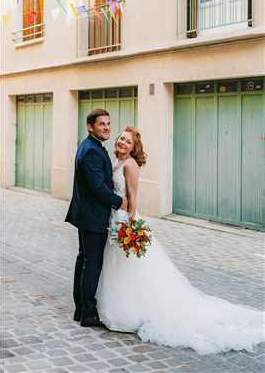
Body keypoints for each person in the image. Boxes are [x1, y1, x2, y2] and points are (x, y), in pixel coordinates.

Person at [96, 126, 264, 355]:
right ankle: (117, 308)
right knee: (118, 266)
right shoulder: (115, 161)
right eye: (121, 139)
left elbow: (134, 199)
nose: (123, 143)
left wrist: (130, 227)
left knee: (130, 267)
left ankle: (130, 312)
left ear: (134, 147)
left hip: (124, 222)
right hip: (114, 219)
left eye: (128, 142)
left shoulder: (131, 165)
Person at [65, 109, 127, 327]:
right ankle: (88, 314)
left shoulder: (91, 146)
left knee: (84, 260)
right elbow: (97, 187)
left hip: (87, 214)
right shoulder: (91, 150)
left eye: (109, 124)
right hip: (92, 216)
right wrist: (119, 202)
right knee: (92, 263)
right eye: (102, 124)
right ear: (90, 126)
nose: (107, 128)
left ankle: (81, 309)